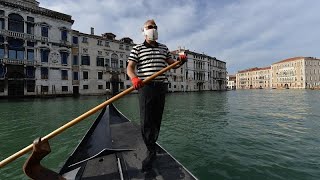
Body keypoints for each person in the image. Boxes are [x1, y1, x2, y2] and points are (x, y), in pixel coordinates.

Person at [127, 19, 187, 171]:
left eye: (155, 27)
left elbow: (174, 64)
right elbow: (130, 68)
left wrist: (182, 61)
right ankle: (150, 149)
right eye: (150, 27)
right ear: (144, 30)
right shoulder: (137, 48)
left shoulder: (164, 48)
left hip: (161, 86)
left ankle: (152, 143)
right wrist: (134, 78)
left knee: (156, 118)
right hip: (145, 86)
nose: (153, 29)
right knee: (146, 119)